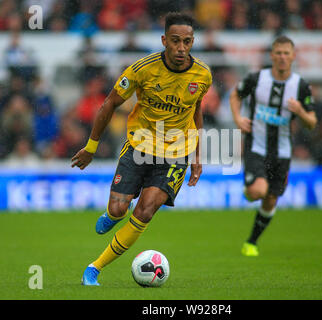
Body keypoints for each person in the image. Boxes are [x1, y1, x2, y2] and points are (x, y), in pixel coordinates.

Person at [71, 12, 212, 286]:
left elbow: (196, 112)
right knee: (118, 208)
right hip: (139, 147)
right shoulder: (142, 69)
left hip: (175, 154)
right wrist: (91, 146)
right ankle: (113, 215)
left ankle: (94, 268)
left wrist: (197, 156)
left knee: (145, 211)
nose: (181, 48)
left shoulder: (203, 75)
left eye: (187, 41)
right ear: (164, 41)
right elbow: (109, 103)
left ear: (193, 42)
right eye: (175, 41)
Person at [229, 36, 317, 257]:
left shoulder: (301, 86)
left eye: (286, 53)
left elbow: (312, 123)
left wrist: (299, 111)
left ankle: (251, 242)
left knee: (270, 199)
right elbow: (235, 95)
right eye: (278, 53)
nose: (282, 57)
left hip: (282, 152)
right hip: (256, 146)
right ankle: (250, 191)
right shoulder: (257, 78)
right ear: (271, 55)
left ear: (293, 56)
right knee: (258, 191)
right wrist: (238, 119)